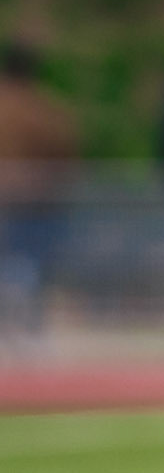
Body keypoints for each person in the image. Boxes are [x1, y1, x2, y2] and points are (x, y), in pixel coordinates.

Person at [0, 42, 79, 337]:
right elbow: (66, 155)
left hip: (10, 200)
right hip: (38, 198)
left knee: (12, 263)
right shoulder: (48, 109)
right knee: (31, 263)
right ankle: (28, 323)